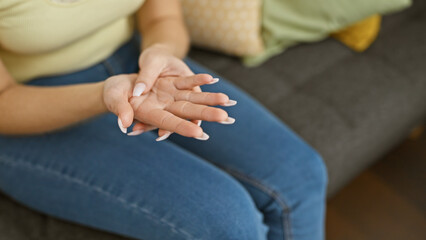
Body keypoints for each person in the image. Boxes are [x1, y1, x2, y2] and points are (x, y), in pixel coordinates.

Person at [0, 0, 328, 239]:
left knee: (302, 174)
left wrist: (162, 52)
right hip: (27, 105)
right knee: (226, 220)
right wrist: (104, 96)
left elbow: (163, 15)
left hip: (133, 61)